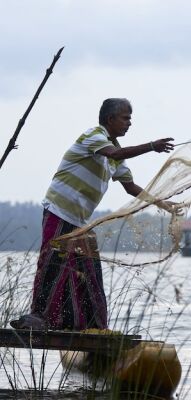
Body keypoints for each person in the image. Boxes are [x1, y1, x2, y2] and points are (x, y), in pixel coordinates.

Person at [11, 98, 180, 331]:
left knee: (88, 272)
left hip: (79, 221)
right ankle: (38, 317)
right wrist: (151, 146)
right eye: (125, 118)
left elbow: (130, 187)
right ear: (110, 119)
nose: (129, 123)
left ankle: (89, 326)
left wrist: (163, 204)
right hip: (59, 211)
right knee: (52, 264)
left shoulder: (116, 153)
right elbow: (114, 153)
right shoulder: (94, 136)